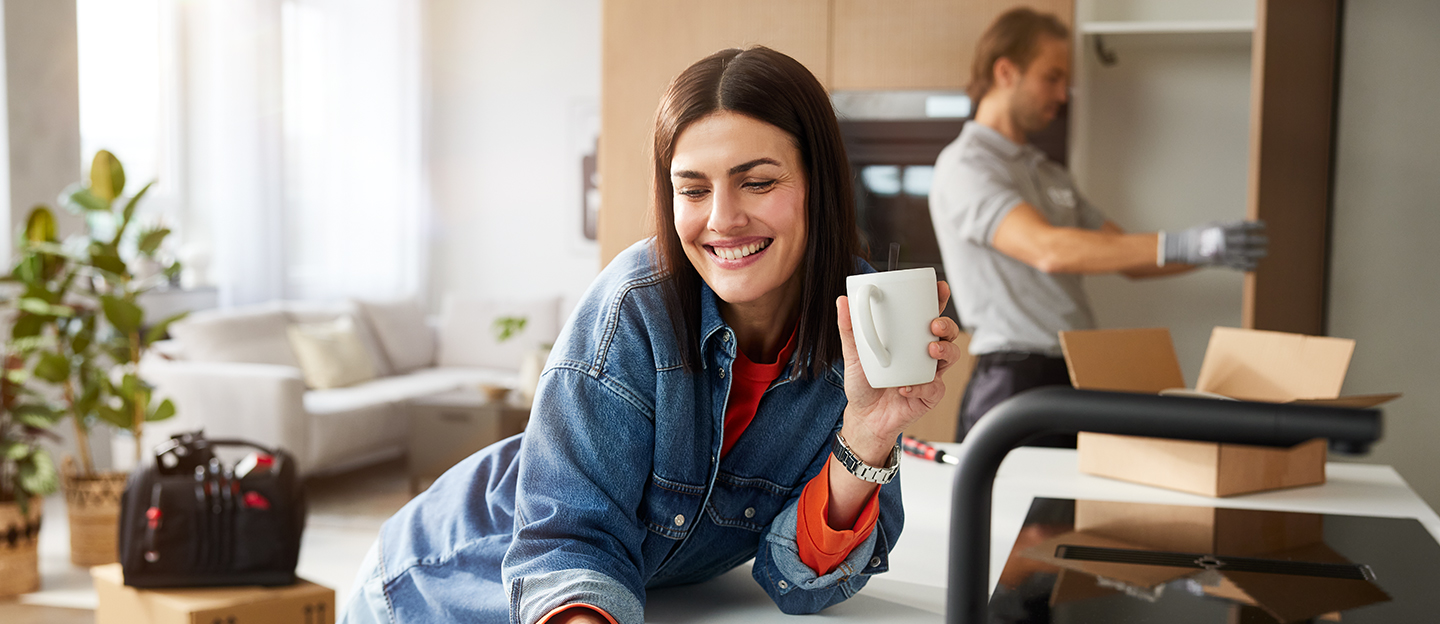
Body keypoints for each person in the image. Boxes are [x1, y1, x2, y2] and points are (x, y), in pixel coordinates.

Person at [339, 46, 962, 624]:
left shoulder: (856, 320)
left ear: (818, 186)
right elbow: (569, 547)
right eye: (693, 189)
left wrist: (870, 433)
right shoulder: (633, 309)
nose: (722, 219)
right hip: (437, 587)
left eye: (759, 181)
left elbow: (797, 579)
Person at [928, 8, 1267, 444]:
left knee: (1072, 514)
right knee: (1024, 516)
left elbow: (1124, 253)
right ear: (1006, 71)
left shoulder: (1050, 175)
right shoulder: (966, 166)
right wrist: (1186, 243)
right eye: (1051, 77)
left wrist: (1207, 251)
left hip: (1075, 368)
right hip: (1015, 378)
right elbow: (1049, 250)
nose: (1062, 94)